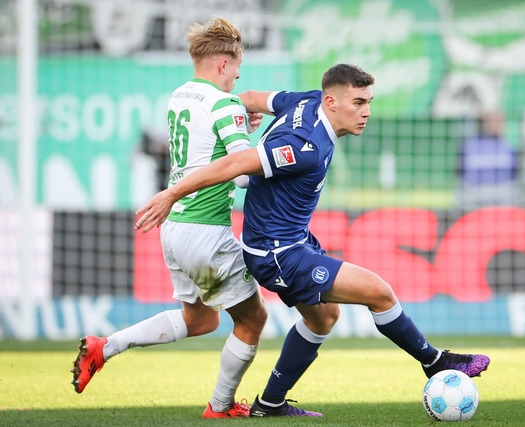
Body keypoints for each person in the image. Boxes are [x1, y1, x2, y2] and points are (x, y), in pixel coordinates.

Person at [134, 63, 491, 417]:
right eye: (358, 103)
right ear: (332, 102)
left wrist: (243, 115)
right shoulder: (303, 146)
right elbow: (236, 164)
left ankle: (270, 403)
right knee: (379, 292)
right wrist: (171, 194)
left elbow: (251, 97)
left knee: (323, 318)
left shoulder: (305, 101)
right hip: (276, 253)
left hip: (294, 239)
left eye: (368, 102)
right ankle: (434, 361)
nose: (366, 112)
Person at [71, 17, 268, 419]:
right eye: (236, 68)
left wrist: (240, 132)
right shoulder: (224, 102)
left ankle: (105, 347)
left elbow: (208, 150)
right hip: (206, 230)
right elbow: (245, 174)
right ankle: (221, 405)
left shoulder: (180, 96)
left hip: (174, 228)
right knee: (253, 319)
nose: (237, 77)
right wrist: (257, 143)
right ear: (222, 63)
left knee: (200, 320)